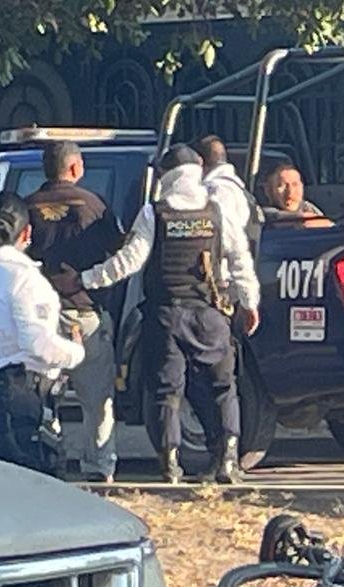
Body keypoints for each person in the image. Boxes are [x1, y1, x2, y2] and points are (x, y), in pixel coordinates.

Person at [77, 145, 260, 484]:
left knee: (167, 390)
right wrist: (250, 303)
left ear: (166, 175)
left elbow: (129, 261)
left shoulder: (154, 213)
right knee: (223, 387)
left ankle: (170, 464)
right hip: (210, 315)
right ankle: (228, 460)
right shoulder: (217, 211)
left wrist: (86, 279)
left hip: (166, 316)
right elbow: (240, 260)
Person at [0, 194, 86, 472]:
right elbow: (38, 343)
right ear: (26, 233)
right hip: (17, 400)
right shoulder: (24, 279)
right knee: (39, 485)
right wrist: (76, 351)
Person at [26, 141, 125, 483]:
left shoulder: (28, 207)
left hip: (42, 318)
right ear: (74, 168)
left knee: (43, 396)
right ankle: (99, 467)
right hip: (86, 314)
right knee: (97, 400)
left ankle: (49, 461)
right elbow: (119, 254)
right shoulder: (94, 206)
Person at [263, 164, 331, 226]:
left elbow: (329, 225)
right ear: (269, 191)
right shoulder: (263, 215)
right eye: (282, 186)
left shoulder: (308, 207)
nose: (290, 192)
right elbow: (276, 217)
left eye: (295, 184)